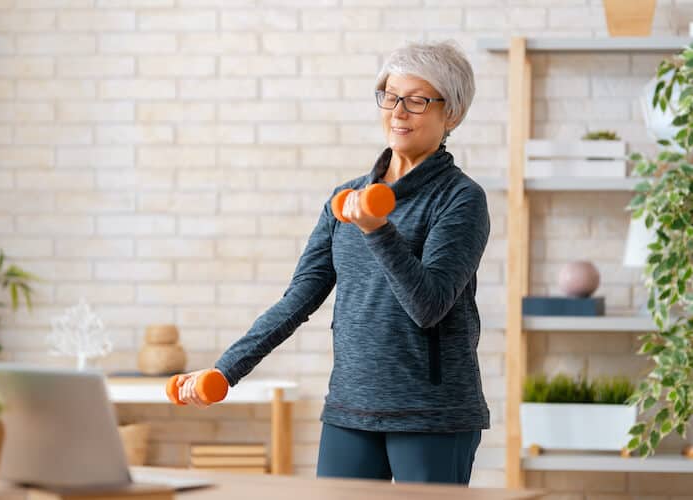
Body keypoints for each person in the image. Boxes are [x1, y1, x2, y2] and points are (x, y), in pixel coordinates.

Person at [177, 40, 490, 485]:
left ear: (452, 114)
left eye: (418, 100)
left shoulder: (461, 200)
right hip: (351, 409)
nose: (398, 112)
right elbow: (297, 300)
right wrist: (226, 370)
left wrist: (378, 231)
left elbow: (430, 305)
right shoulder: (344, 200)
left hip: (432, 416)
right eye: (390, 95)